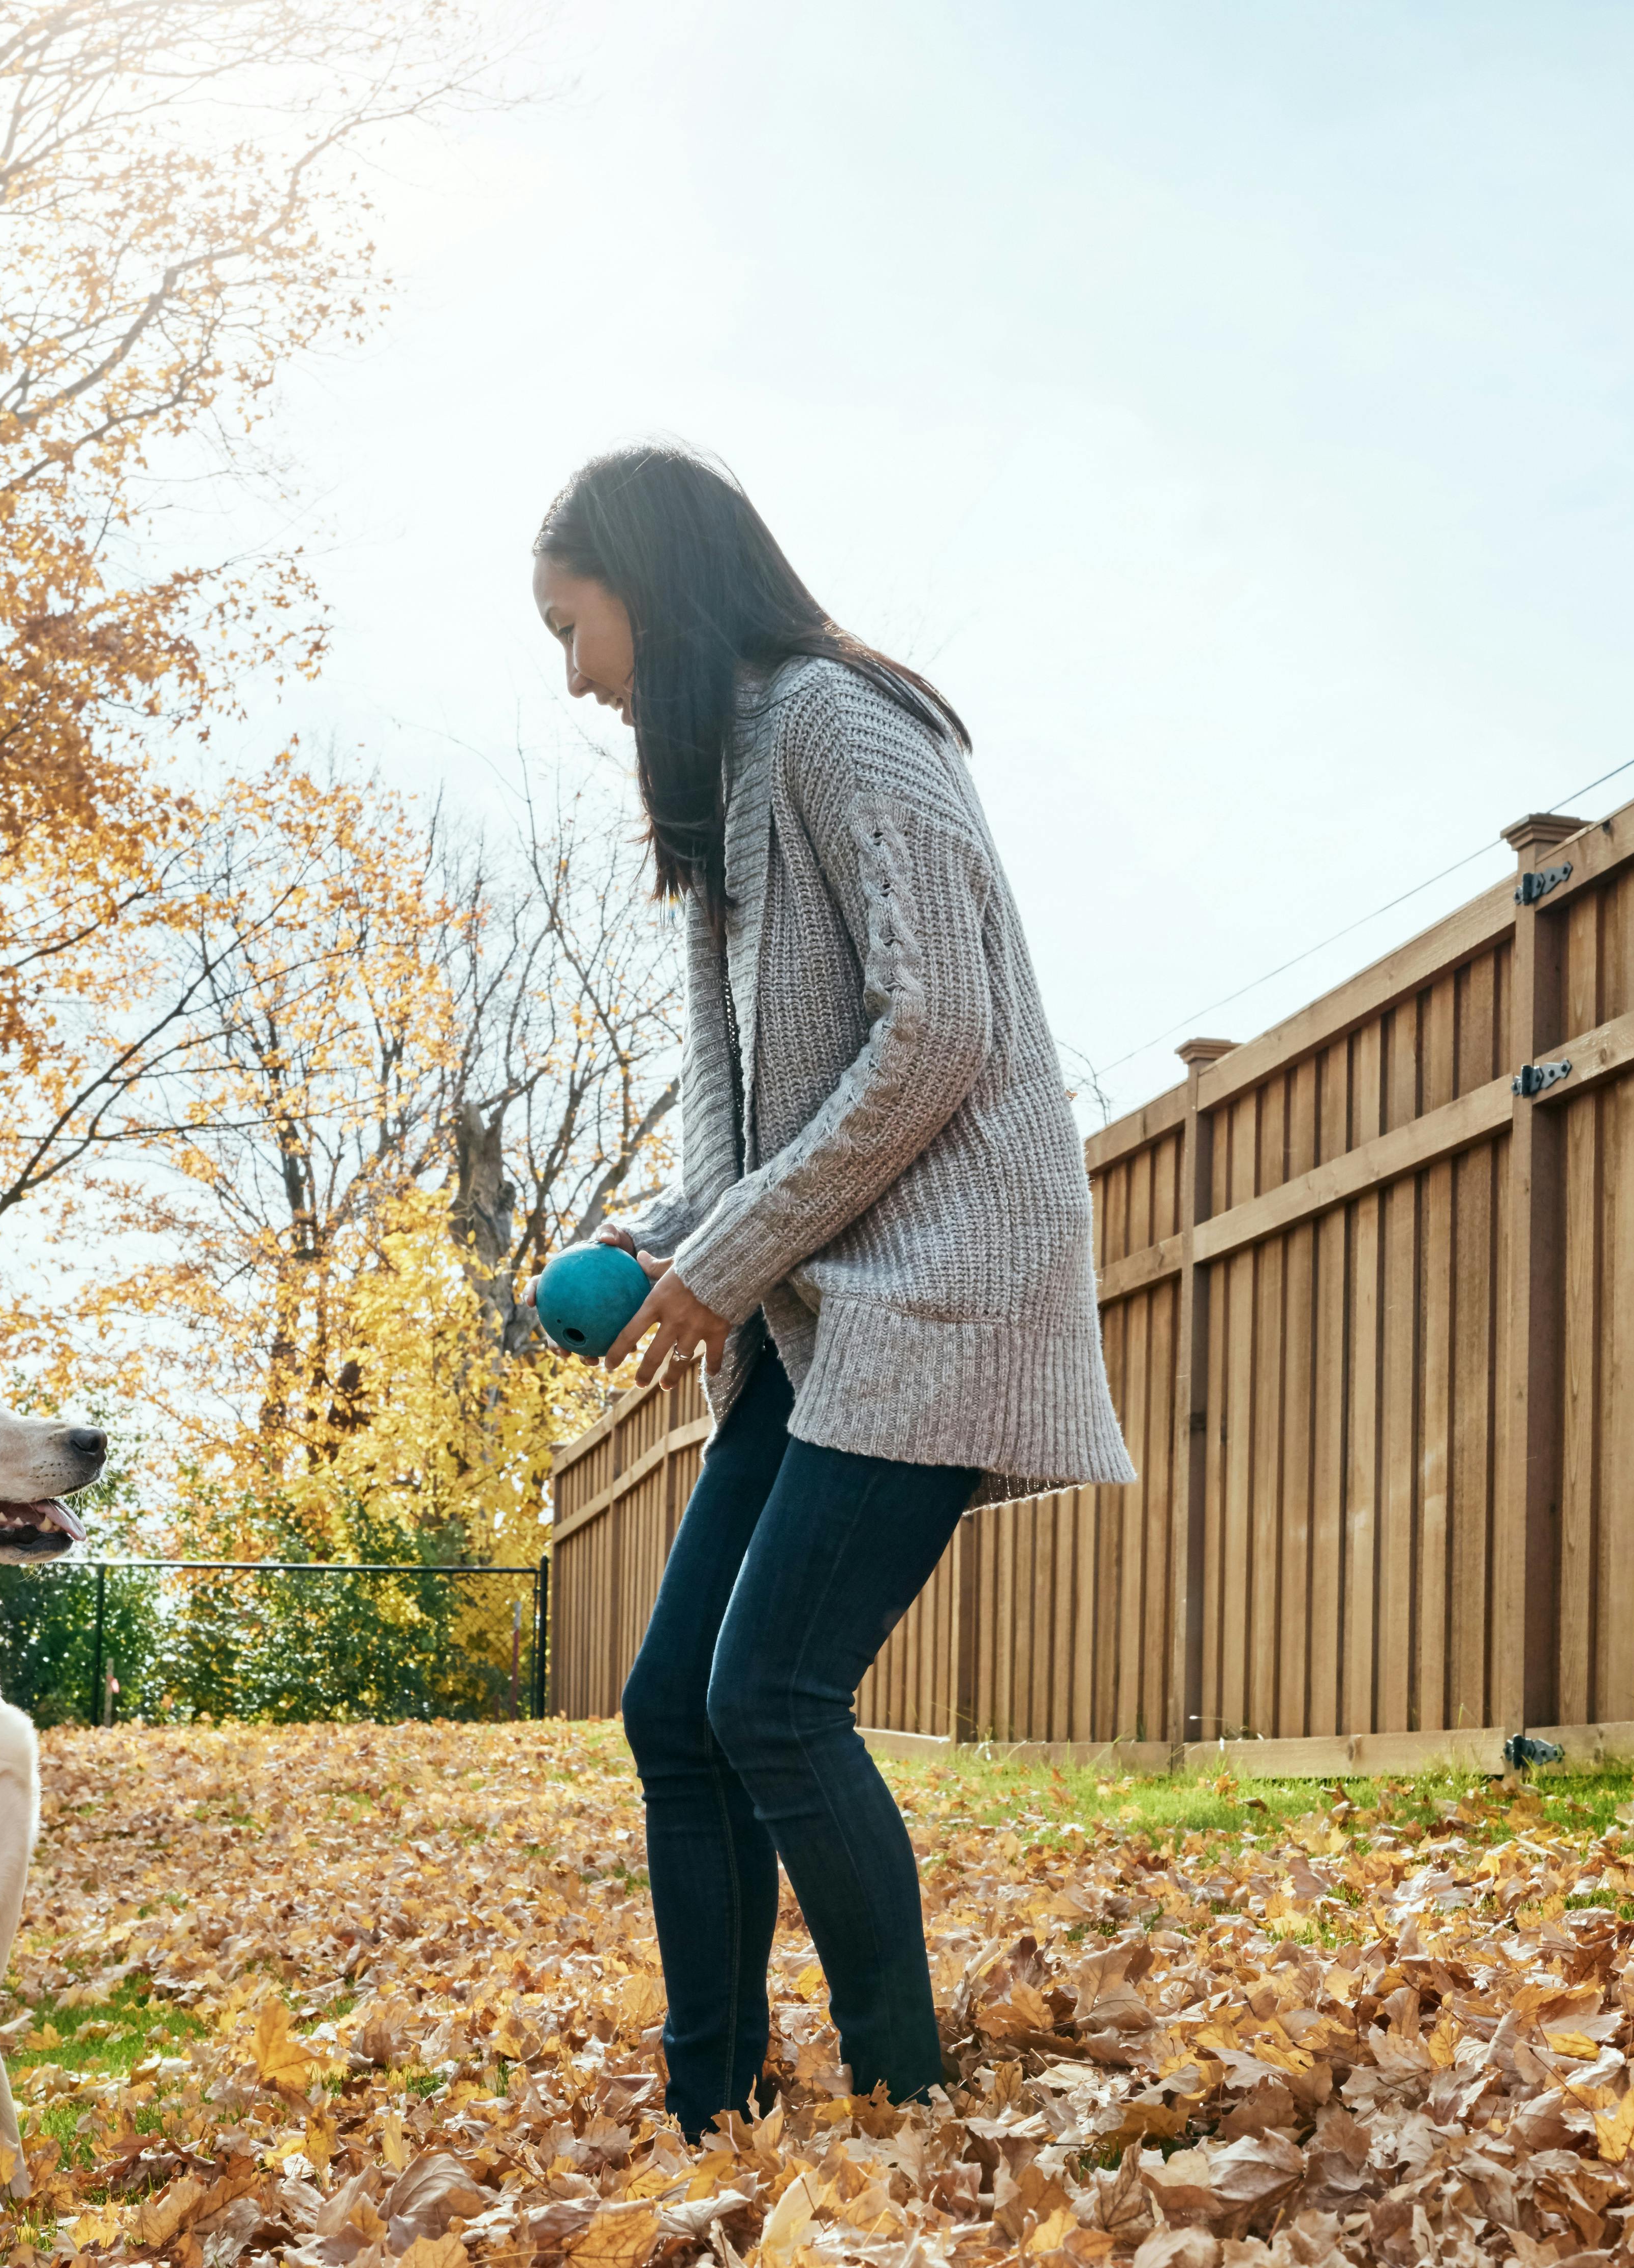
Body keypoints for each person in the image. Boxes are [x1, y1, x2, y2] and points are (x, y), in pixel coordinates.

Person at [533, 445, 1135, 2140]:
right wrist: (669, 1241)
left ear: (651, 586)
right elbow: (752, 1126)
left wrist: (728, 1260)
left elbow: (941, 1029)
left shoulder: (845, 722)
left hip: (938, 1276)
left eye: (575, 627)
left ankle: (900, 2097)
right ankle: (710, 2104)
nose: (576, 677)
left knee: (772, 1699)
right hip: (821, 1292)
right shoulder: (728, 783)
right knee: (677, 1707)